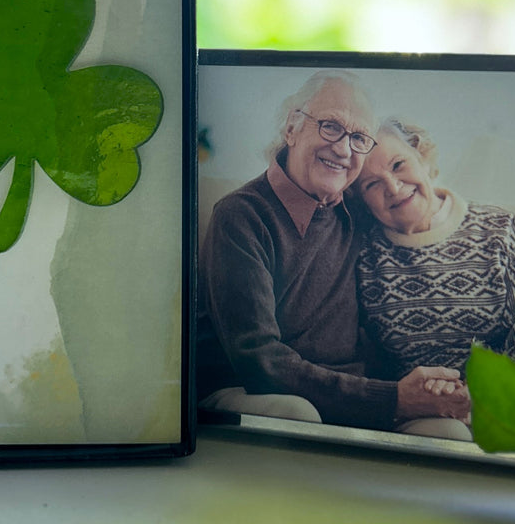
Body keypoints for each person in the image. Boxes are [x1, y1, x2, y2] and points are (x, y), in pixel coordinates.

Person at [197, 73, 470, 432]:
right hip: (253, 391)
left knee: (446, 432)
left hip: (351, 397)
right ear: (292, 129)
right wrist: (392, 399)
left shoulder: (356, 211)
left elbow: (413, 212)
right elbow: (259, 360)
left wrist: (438, 388)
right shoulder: (242, 215)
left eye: (359, 138)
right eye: (330, 127)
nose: (343, 150)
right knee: (299, 416)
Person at [353, 119, 515, 383]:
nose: (393, 188)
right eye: (371, 184)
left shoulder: (501, 229)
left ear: (423, 157)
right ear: (361, 200)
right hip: (422, 412)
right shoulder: (364, 255)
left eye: (398, 165)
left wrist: (474, 400)